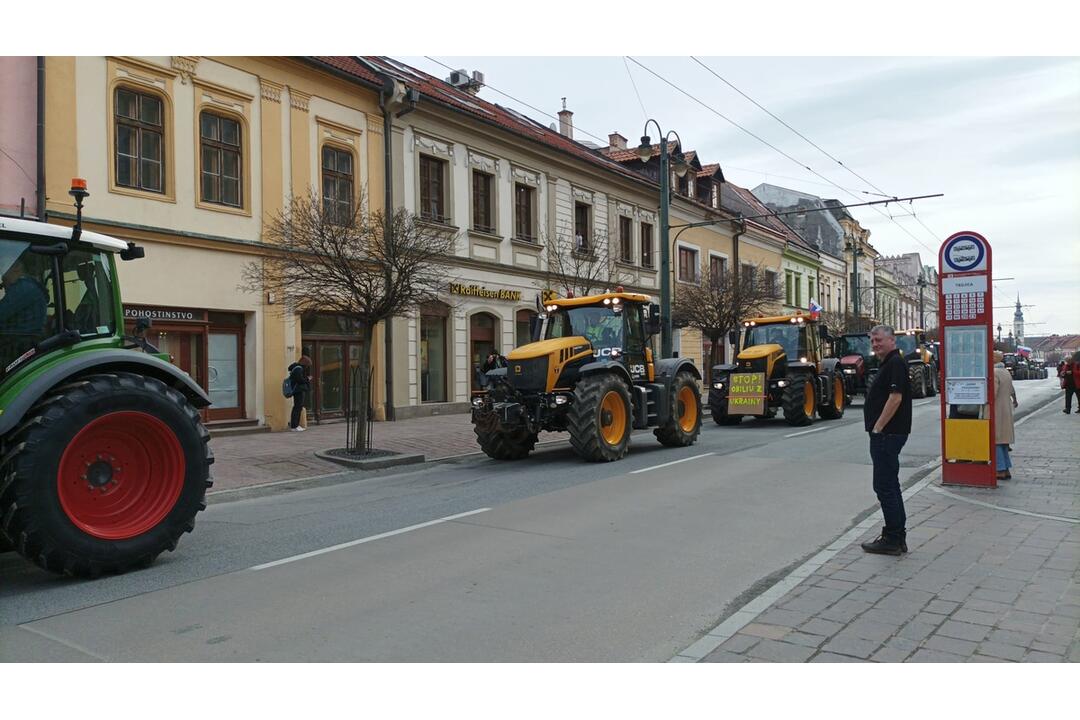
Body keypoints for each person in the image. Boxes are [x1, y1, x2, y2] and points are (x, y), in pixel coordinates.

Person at [861, 325, 913, 556]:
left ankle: (892, 538)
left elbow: (895, 398)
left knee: (885, 486)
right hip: (887, 433)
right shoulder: (890, 362)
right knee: (889, 484)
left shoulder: (895, 363)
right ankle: (896, 536)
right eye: (872, 341)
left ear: (892, 340)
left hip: (887, 434)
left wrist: (879, 427)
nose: (875, 344)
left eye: (879, 340)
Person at [993, 351, 1018, 480]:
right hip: (1006, 408)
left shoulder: (994, 373)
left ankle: (1000, 469)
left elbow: (993, 393)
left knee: (995, 439)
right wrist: (1015, 399)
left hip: (996, 409)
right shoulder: (1005, 372)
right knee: (1003, 441)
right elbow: (1012, 389)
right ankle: (1006, 468)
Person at [287, 355, 312, 431]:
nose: (307, 367)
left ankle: (295, 425)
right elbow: (300, 380)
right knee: (297, 407)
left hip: (297, 390)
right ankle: (294, 426)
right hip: (298, 390)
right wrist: (307, 379)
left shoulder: (296, 368)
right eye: (307, 365)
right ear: (305, 363)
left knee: (297, 407)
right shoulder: (299, 369)